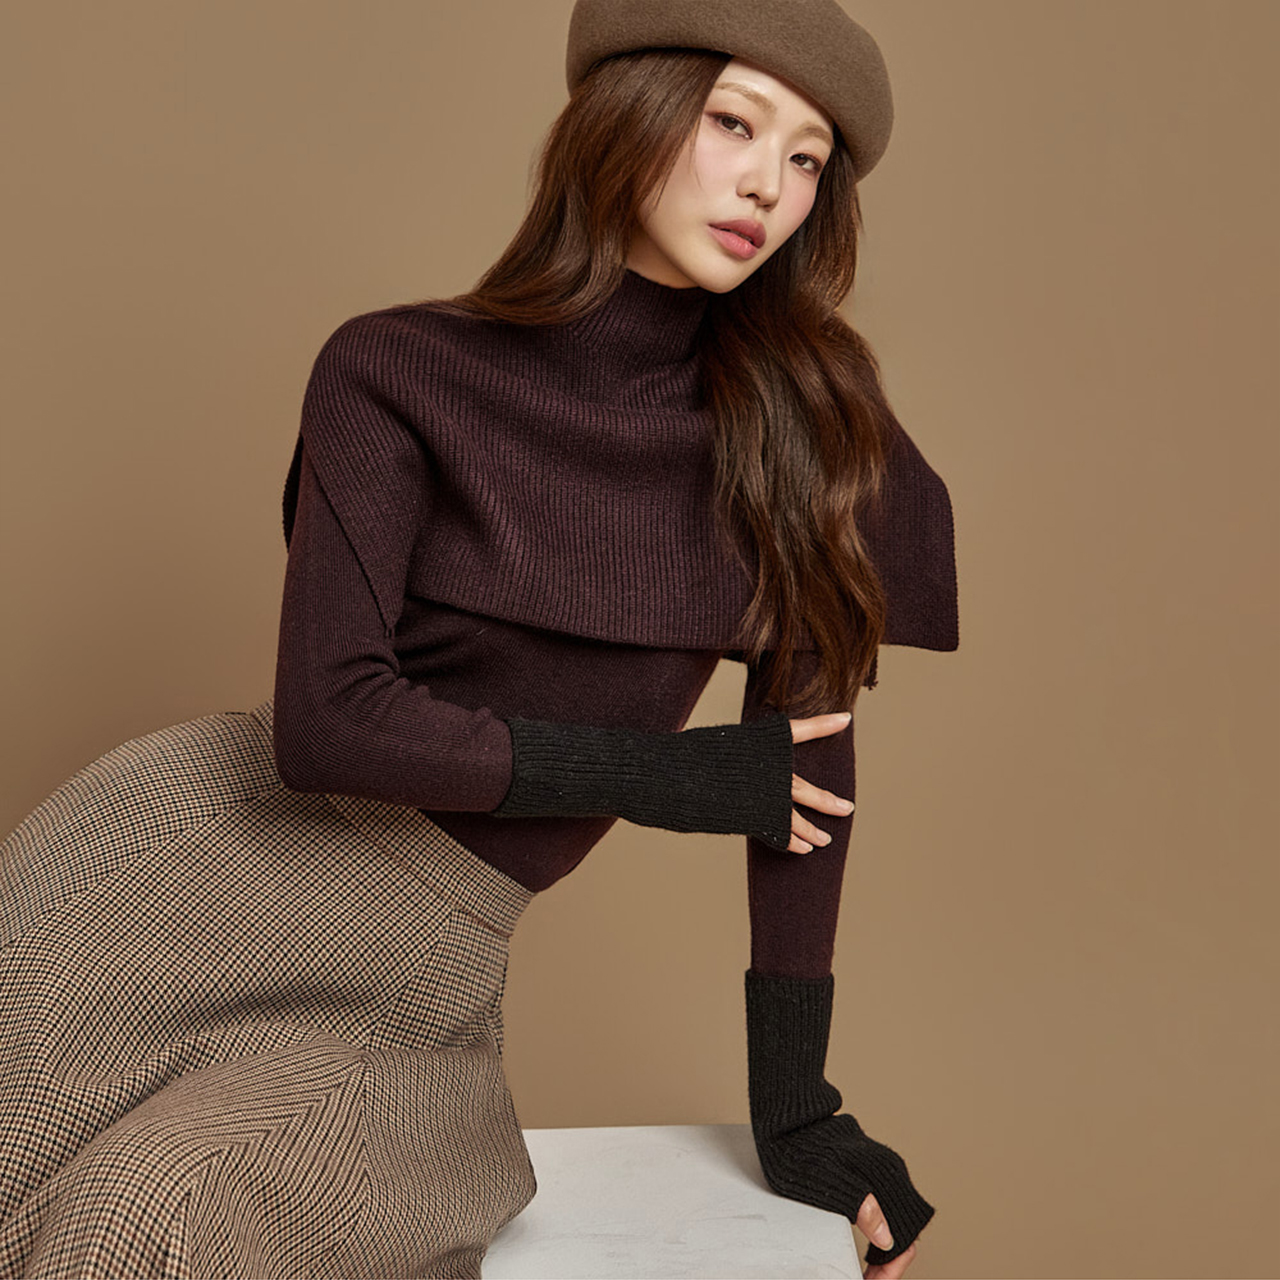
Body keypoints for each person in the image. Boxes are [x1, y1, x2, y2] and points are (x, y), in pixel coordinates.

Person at [0, 1, 958, 1276]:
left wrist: (797, 1111)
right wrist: (663, 776)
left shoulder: (808, 433)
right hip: (168, 866)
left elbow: (800, 784)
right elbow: (326, 723)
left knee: (138, 1220)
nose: (764, 186)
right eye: (732, 123)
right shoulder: (395, 369)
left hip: (415, 966)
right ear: (628, 113)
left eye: (804, 159)